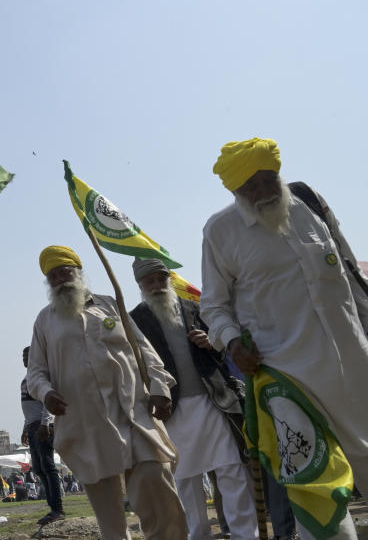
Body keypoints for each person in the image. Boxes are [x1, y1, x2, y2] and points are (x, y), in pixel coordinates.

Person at [201, 137, 368, 540]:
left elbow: (348, 274)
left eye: (267, 179)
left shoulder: (310, 203)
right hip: (288, 378)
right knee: (315, 487)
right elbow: (213, 306)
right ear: (235, 190)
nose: (261, 192)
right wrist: (231, 342)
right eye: (249, 187)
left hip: (354, 364)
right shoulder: (220, 231)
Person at [26, 245, 188, 540]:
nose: (61, 279)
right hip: (86, 423)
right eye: (54, 276)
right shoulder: (45, 321)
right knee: (110, 517)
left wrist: (161, 388)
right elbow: (35, 372)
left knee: (156, 480)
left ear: (79, 273)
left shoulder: (110, 305)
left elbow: (144, 351)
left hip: (134, 413)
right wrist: (47, 393)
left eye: (66, 272)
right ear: (48, 283)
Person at [129, 257, 258, 540]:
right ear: (140, 284)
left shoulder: (195, 309)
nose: (157, 285)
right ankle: (198, 535)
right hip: (171, 410)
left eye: (161, 279)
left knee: (230, 469)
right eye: (149, 281)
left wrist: (212, 342)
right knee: (186, 479)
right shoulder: (134, 321)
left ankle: (244, 534)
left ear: (169, 279)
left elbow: (223, 353)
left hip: (213, 401)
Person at [21, 346, 65, 525]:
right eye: (22, 356)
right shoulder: (27, 379)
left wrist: (46, 423)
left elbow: (48, 401)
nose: (24, 359)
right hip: (33, 426)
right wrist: (25, 428)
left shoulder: (42, 376)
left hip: (42, 427)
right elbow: (29, 407)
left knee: (48, 466)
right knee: (39, 469)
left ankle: (57, 509)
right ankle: (52, 508)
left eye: (27, 356)